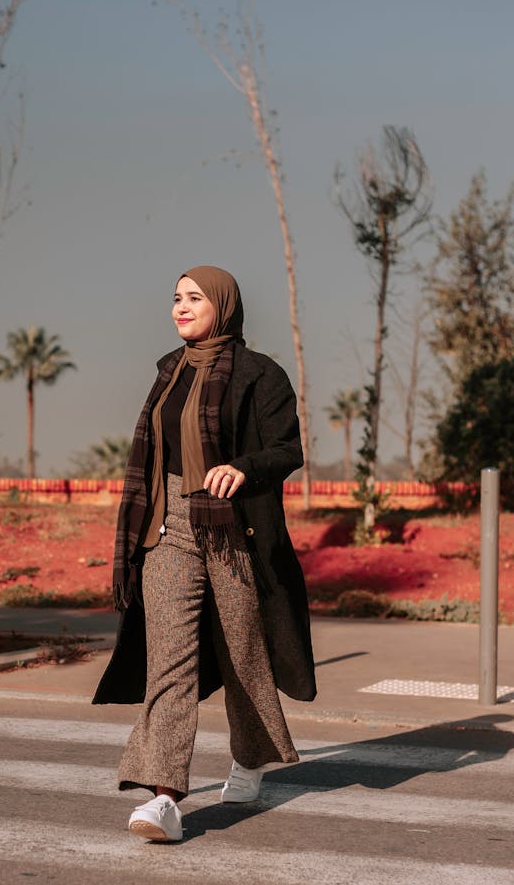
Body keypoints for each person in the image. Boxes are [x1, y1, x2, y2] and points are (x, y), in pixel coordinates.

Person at [92, 265, 316, 843]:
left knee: (242, 654)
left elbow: (288, 449)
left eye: (194, 297)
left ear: (223, 304)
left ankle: (249, 757)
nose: (181, 307)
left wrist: (242, 469)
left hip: (233, 533)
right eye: (175, 298)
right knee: (169, 660)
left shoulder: (261, 375)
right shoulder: (169, 373)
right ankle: (163, 796)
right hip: (168, 531)